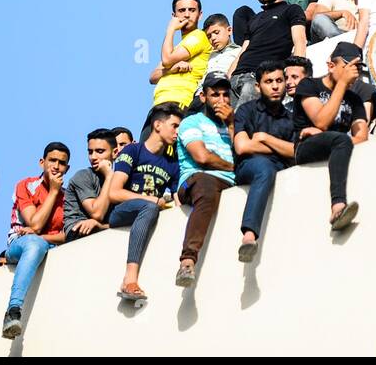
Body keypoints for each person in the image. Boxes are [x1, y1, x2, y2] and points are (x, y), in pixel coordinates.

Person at [108, 102, 184, 303]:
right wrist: (151, 199)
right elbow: (114, 193)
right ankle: (129, 279)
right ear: (158, 125)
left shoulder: (172, 164)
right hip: (121, 212)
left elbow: (177, 203)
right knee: (149, 206)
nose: (178, 132)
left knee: (151, 208)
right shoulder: (133, 151)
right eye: (174, 126)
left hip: (148, 213)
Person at [291, 42, 369, 229]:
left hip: (337, 146)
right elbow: (321, 121)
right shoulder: (309, 85)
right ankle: (338, 205)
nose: (353, 72)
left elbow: (362, 137)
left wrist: (327, 134)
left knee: (340, 140)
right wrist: (341, 83)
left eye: (357, 67)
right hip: (305, 147)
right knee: (339, 139)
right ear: (331, 66)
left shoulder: (355, 98)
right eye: (348, 66)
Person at [221, 0, 308, 103]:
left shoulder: (292, 10)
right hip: (235, 79)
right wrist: (227, 78)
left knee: (242, 124)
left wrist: (295, 77)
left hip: (258, 79)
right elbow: (243, 51)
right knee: (224, 127)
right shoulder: (256, 18)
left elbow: (300, 42)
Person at [0, 142, 70, 339]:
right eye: (52, 161)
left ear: (67, 168)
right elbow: (35, 223)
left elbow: (68, 234)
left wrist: (41, 236)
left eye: (61, 163)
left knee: (38, 242)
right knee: (34, 243)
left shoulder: (68, 196)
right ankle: (13, 310)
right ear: (42, 162)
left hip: (48, 244)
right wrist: (54, 192)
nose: (56, 166)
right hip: (19, 245)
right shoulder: (26, 185)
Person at [175, 74, 237, 287]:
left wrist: (231, 123)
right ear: (203, 97)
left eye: (225, 95)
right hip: (196, 179)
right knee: (206, 185)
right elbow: (201, 157)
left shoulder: (234, 122)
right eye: (215, 95)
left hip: (231, 180)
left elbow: (243, 151)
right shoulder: (191, 122)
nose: (221, 100)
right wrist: (233, 166)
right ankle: (188, 260)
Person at [231, 62, 298, 261]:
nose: (275, 86)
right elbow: (242, 147)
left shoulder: (292, 118)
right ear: (259, 87)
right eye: (269, 82)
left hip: (282, 167)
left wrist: (264, 138)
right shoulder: (246, 111)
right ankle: (249, 236)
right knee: (264, 168)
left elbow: (297, 152)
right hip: (249, 166)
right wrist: (281, 149)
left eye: (279, 80)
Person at [149, 0, 211, 107]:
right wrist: (171, 69)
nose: (187, 15)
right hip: (160, 102)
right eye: (182, 10)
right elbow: (153, 77)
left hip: (180, 101)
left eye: (192, 10)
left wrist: (170, 29)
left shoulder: (199, 36)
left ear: (200, 14)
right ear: (174, 16)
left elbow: (166, 60)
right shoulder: (177, 47)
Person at [63, 129, 118, 242]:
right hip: (79, 233)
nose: (93, 157)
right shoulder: (83, 176)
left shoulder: (119, 178)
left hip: (104, 231)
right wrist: (109, 176)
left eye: (99, 151)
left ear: (115, 152)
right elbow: (97, 214)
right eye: (90, 152)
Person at [202, 13, 243, 81]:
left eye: (216, 32)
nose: (213, 38)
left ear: (229, 30)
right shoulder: (209, 56)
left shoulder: (239, 52)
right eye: (209, 36)